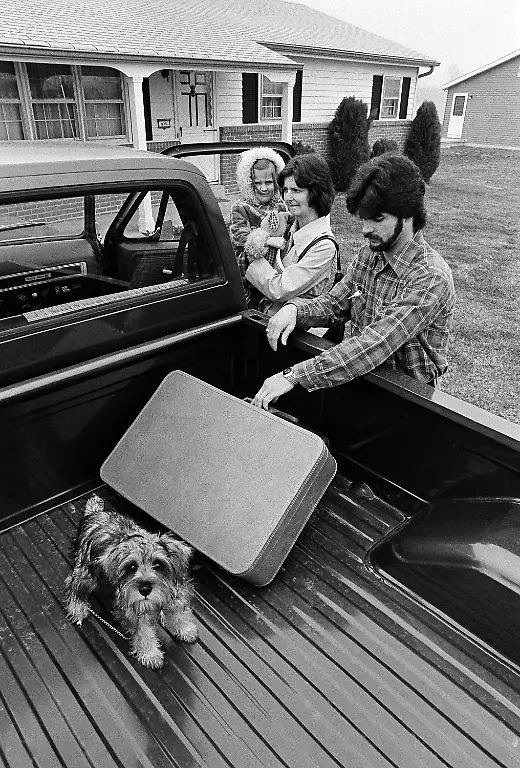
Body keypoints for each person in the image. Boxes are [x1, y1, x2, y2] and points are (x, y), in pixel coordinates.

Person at [252, 153, 456, 410]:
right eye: (363, 218)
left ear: (408, 214)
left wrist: (294, 375)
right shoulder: (369, 254)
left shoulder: (430, 276)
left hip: (407, 401)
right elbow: (336, 303)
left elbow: (375, 343)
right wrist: (295, 309)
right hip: (362, 384)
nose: (365, 229)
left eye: (377, 219)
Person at [244, 153, 338, 315]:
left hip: (292, 327)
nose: (288, 197)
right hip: (263, 317)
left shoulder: (324, 246)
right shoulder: (287, 226)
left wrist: (252, 254)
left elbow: (279, 289)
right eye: (285, 190)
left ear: (316, 192)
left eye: (296, 190)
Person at [229, 147, 289, 308]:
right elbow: (239, 238)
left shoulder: (281, 206)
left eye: (268, 182)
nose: (263, 188)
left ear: (276, 182)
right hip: (248, 271)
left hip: (275, 270)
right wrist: (268, 240)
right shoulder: (241, 207)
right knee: (250, 305)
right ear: (249, 183)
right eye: (258, 183)